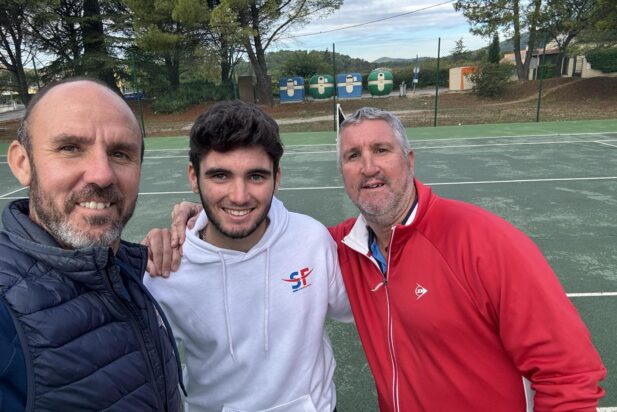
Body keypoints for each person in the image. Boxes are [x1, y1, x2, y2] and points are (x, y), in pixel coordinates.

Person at [159, 107, 606, 411]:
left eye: (381, 150)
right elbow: (246, 226)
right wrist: (197, 219)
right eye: (353, 155)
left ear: (409, 160)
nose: (368, 166)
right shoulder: (339, 247)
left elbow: (570, 375)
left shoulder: (486, 242)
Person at [143, 101, 352, 412]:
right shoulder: (165, 268)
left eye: (256, 176)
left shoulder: (311, 239)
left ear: (276, 178)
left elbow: (364, 303)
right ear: (193, 177)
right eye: (220, 176)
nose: (239, 196)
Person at [0, 78, 183, 411]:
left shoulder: (126, 271)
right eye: (70, 148)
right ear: (22, 163)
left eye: (120, 153)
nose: (102, 174)